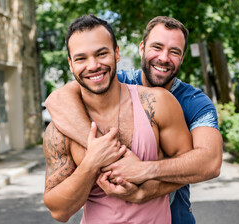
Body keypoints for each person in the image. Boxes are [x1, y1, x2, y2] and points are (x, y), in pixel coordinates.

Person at [45, 16, 223, 224]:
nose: (164, 58)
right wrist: (97, 157)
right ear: (141, 48)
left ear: (116, 54)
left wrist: (143, 177)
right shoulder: (102, 86)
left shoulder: (186, 102)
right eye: (157, 47)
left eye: (174, 51)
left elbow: (209, 163)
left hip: (177, 217)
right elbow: (58, 98)